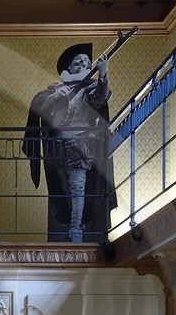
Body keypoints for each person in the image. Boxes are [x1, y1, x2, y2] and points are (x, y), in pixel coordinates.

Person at [23, 43, 117, 243]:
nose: (83, 63)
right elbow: (40, 103)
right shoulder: (55, 89)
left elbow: (100, 98)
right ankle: (75, 223)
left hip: (79, 145)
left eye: (85, 61)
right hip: (57, 148)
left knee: (77, 186)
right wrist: (58, 96)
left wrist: (103, 76)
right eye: (78, 61)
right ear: (69, 67)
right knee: (63, 189)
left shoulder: (91, 87)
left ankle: (76, 230)